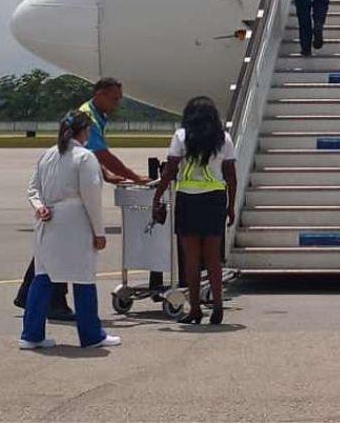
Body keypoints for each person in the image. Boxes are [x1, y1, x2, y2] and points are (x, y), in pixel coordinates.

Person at [14, 77, 147, 318]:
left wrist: (106, 175)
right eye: (114, 98)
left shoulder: (51, 153)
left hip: (52, 202)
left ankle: (28, 296)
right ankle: (59, 306)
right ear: (100, 94)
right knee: (67, 260)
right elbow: (99, 155)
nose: (117, 104)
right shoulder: (88, 117)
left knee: (48, 253)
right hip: (69, 207)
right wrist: (132, 176)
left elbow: (92, 156)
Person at [18, 111, 119, 349]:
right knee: (83, 276)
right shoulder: (85, 158)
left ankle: (31, 334)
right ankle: (91, 335)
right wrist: (99, 231)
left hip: (49, 221)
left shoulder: (48, 155)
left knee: (43, 277)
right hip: (75, 222)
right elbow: (91, 197)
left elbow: (33, 188)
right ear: (83, 131)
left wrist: (40, 206)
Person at [153, 96, 237, 325]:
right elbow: (231, 174)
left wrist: (157, 196)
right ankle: (218, 305)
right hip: (215, 199)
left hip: (188, 199)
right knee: (212, 258)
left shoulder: (181, 136)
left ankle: (195, 309)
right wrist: (231, 205)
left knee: (191, 258)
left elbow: (170, 170)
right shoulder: (224, 139)